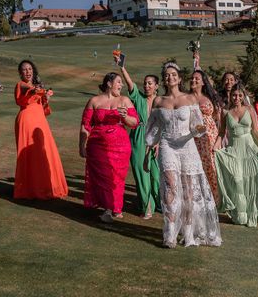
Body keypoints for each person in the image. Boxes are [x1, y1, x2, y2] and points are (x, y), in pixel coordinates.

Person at [146, 62, 222, 248]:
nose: (169, 77)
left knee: (188, 192)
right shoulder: (158, 101)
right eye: (166, 75)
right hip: (167, 145)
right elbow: (152, 129)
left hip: (187, 145)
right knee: (171, 186)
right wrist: (148, 148)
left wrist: (200, 129)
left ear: (179, 78)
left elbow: (197, 125)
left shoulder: (189, 99)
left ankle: (188, 233)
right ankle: (170, 233)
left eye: (173, 74)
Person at [80, 73, 138, 223]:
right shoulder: (94, 101)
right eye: (119, 82)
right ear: (109, 83)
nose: (122, 85)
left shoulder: (125, 100)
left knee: (116, 178)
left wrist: (124, 117)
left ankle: (114, 208)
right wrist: (82, 145)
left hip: (120, 145)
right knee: (102, 176)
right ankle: (107, 207)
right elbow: (85, 125)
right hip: (97, 144)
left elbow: (134, 122)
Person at [215, 84, 258, 227]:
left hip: (249, 149)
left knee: (251, 181)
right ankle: (239, 214)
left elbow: (255, 130)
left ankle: (251, 212)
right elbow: (222, 132)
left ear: (243, 96)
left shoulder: (249, 109)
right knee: (237, 180)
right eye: (234, 95)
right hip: (234, 150)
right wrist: (216, 146)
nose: (237, 98)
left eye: (240, 95)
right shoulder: (225, 112)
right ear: (230, 95)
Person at [13, 60, 68, 200]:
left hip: (40, 121)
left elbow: (43, 109)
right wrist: (34, 92)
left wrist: (46, 98)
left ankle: (45, 185)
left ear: (33, 70)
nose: (28, 72)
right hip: (26, 121)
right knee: (31, 154)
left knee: (45, 151)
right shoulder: (21, 85)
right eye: (24, 70)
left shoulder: (36, 86)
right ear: (20, 73)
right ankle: (30, 188)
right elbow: (22, 99)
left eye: (30, 69)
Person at [116, 55, 161, 219]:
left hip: (158, 138)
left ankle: (160, 204)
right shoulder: (138, 98)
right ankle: (146, 207)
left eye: (150, 83)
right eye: (145, 83)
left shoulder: (162, 101)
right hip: (139, 137)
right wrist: (122, 67)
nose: (147, 85)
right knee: (142, 175)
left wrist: (159, 142)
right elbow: (130, 85)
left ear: (157, 86)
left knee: (156, 176)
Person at [190, 69, 222, 204]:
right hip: (194, 138)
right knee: (197, 168)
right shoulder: (187, 98)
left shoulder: (209, 96)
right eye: (192, 78)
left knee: (211, 167)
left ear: (203, 82)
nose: (193, 80)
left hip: (210, 137)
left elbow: (218, 119)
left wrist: (219, 140)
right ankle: (197, 199)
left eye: (197, 78)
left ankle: (212, 200)